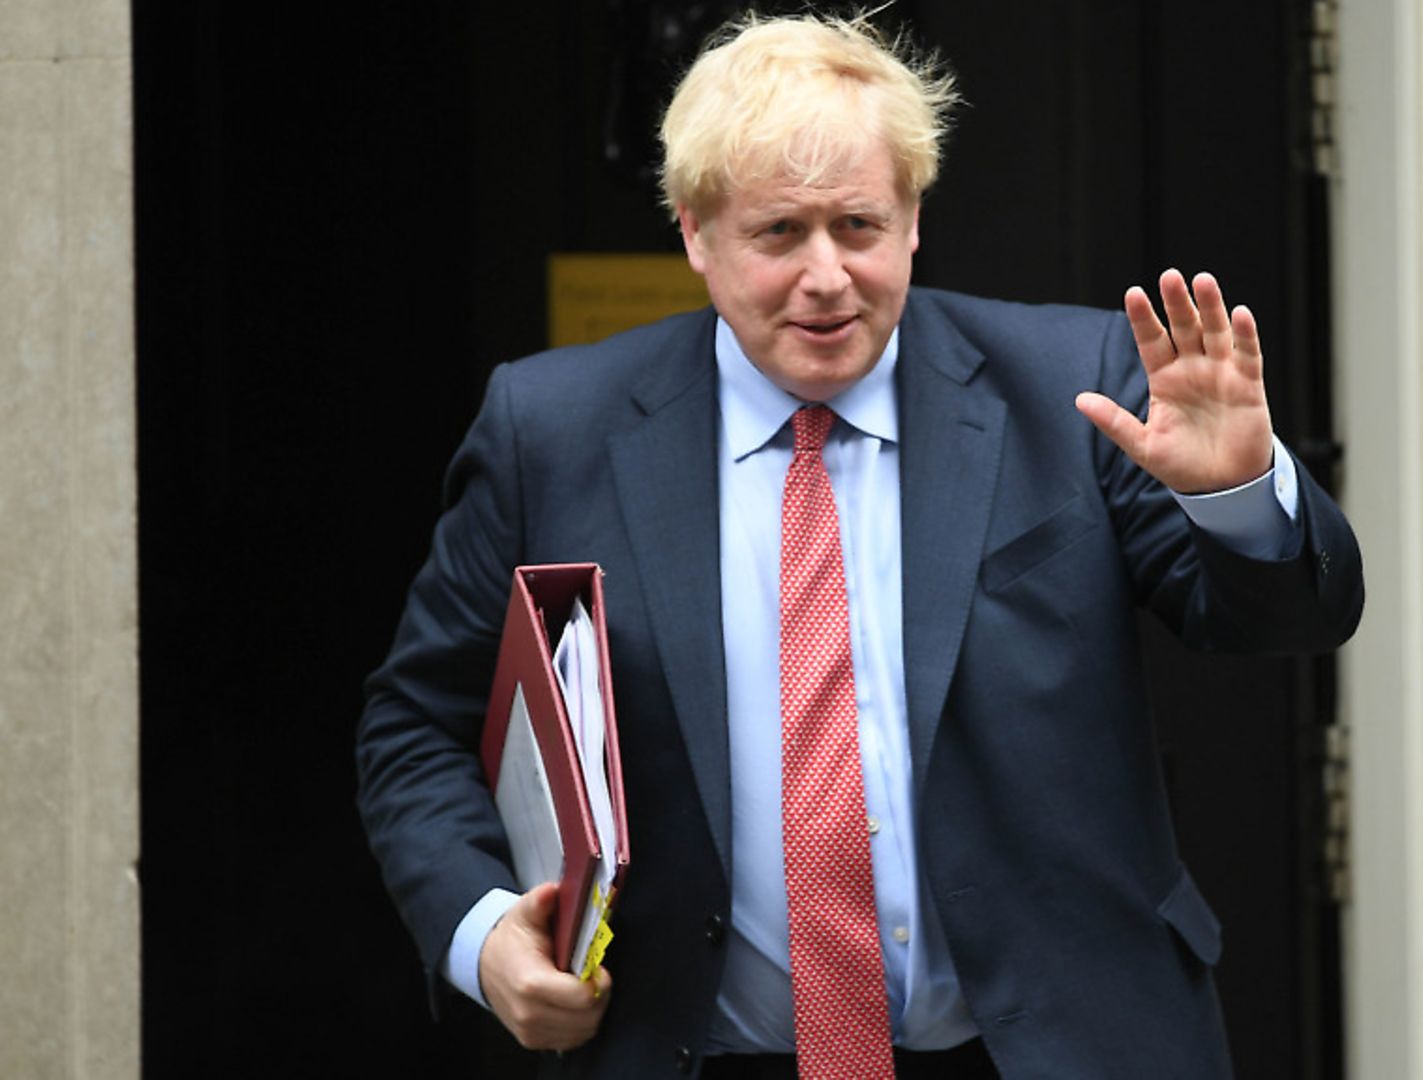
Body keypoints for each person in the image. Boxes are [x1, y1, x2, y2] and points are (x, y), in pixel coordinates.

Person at [357, 12, 1362, 1079]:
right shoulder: (552, 432)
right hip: (693, 1051)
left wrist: (1241, 494)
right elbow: (416, 727)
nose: (827, 275)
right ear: (695, 232)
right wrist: (483, 931)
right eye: (779, 233)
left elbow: (1283, 622)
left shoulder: (1076, 388)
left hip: (1048, 1050)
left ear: (914, 219)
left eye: (858, 226)